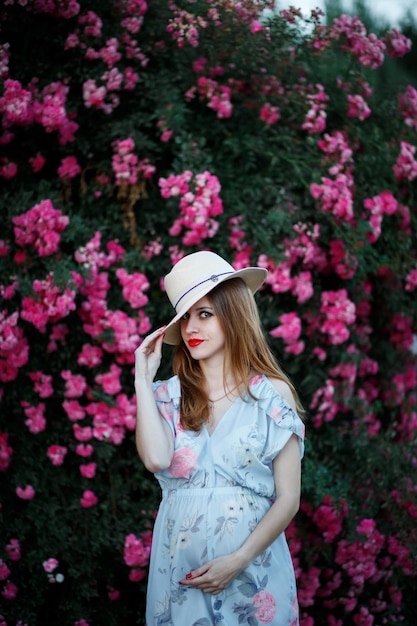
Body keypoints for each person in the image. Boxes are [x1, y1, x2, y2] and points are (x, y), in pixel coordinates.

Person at [134, 250, 305, 626]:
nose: (192, 328)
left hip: (254, 573)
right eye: (187, 317)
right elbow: (156, 460)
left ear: (233, 315)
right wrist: (142, 381)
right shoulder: (166, 396)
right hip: (182, 577)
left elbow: (289, 498)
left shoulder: (271, 394)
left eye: (205, 314)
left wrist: (239, 559)